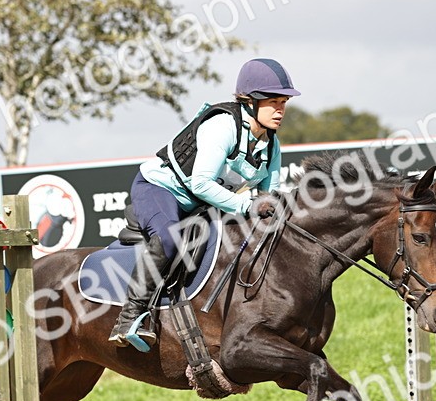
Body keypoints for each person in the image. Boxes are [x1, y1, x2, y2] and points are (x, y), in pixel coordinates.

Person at [108, 58, 300, 351]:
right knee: (169, 239)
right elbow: (200, 183)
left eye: (283, 102)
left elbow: (268, 200)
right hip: (160, 189)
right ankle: (130, 317)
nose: (280, 110)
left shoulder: (271, 145)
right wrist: (246, 205)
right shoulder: (222, 126)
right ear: (249, 102)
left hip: (202, 204)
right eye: (273, 101)